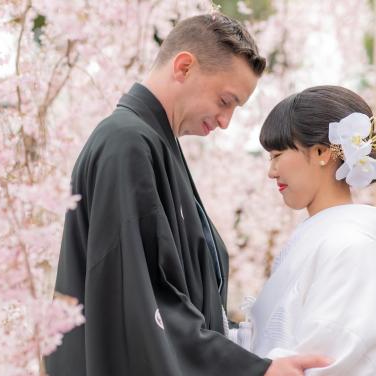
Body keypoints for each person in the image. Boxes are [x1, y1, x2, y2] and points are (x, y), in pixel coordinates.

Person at [45, 13, 329, 376]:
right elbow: (140, 299)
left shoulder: (154, 143)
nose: (226, 121)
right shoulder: (127, 142)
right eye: (225, 101)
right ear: (183, 67)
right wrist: (254, 370)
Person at [247, 85, 376, 375]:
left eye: (277, 155)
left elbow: (324, 363)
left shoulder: (347, 248)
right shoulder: (330, 244)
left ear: (322, 152)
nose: (271, 171)